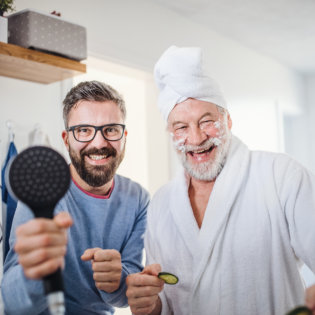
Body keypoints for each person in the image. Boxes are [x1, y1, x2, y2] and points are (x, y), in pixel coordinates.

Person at [125, 46, 315, 315]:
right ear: (170, 133)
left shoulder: (281, 176)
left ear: (228, 119)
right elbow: (164, 305)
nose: (196, 138)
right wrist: (147, 304)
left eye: (206, 121)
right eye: (181, 127)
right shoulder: (162, 204)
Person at [1, 81, 149, 314]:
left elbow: (123, 298)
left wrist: (116, 280)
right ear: (66, 138)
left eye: (110, 129)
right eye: (83, 130)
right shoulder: (42, 189)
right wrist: (33, 273)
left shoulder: (138, 199)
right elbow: (13, 304)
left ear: (124, 136)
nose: (99, 143)